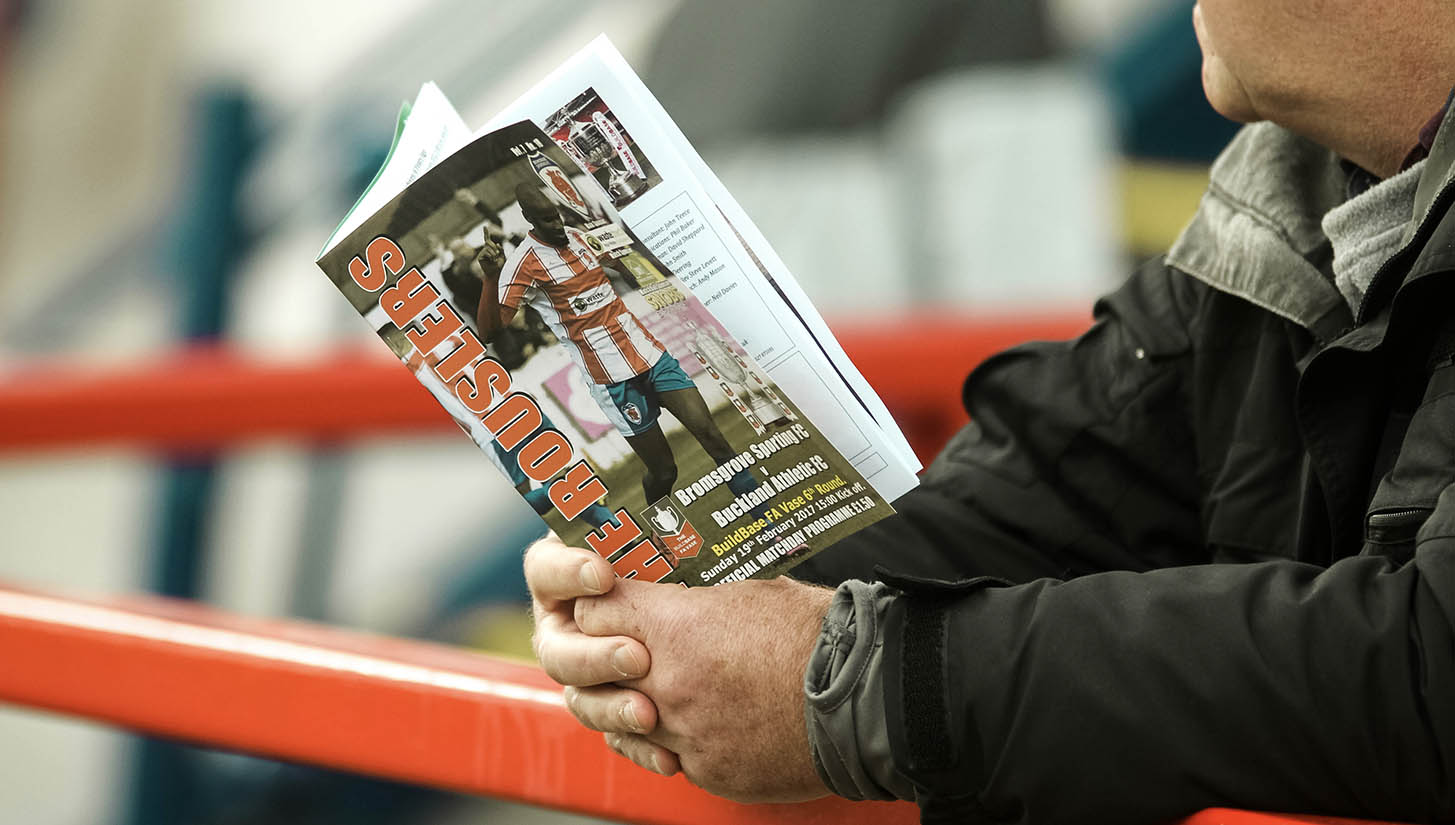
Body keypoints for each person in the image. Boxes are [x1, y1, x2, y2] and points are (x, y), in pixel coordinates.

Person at [524, 3, 1455, 824]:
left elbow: (1431, 661)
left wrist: (864, 678)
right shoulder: (1280, 200)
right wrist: (694, 589)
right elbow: (1055, 485)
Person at [476, 183, 759, 508]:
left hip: (652, 357)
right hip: (611, 380)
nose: (557, 225)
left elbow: (628, 264)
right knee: (664, 471)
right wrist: (490, 278)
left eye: (556, 216)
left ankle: (765, 519)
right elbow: (489, 331)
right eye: (547, 220)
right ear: (529, 219)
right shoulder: (521, 264)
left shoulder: (579, 237)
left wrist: (638, 261)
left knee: (712, 436)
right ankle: (662, 528)